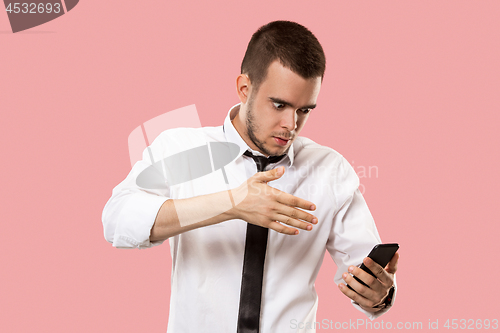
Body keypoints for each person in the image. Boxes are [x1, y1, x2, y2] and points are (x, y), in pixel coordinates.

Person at [102, 20, 399, 333]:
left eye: (304, 110)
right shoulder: (181, 149)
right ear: (245, 88)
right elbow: (117, 220)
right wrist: (231, 204)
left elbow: (361, 268)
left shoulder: (330, 170)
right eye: (279, 104)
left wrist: (377, 294)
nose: (291, 124)